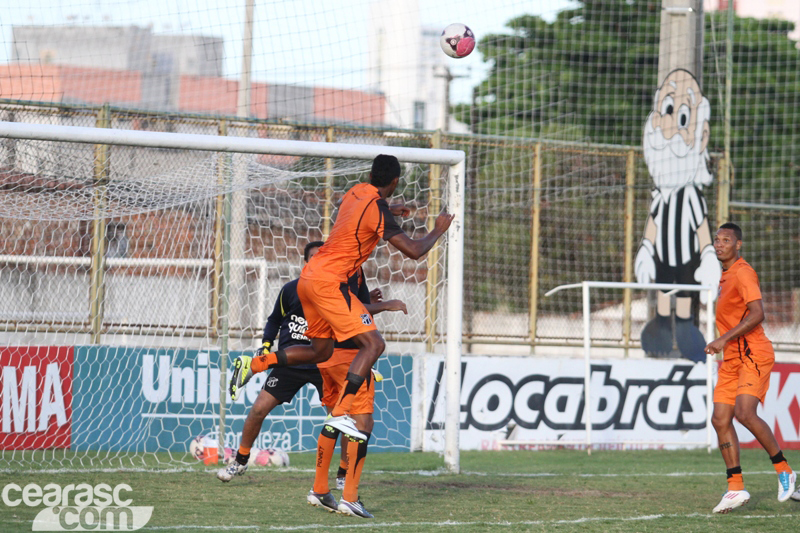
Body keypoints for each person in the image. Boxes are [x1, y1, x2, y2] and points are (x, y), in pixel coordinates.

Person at [229, 153, 453, 517]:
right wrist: (439, 228)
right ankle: (342, 414)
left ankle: (257, 363)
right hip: (332, 283)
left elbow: (369, 213)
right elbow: (414, 251)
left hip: (308, 279)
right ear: (394, 180)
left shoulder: (355, 193)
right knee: (374, 344)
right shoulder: (378, 209)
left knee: (319, 350)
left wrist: (395, 209)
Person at [217, 241, 328, 482]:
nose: (318, 261)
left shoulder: (334, 291)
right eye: (313, 258)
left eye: (323, 257)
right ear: (306, 263)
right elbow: (274, 320)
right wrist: (266, 344)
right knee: (258, 409)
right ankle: (240, 461)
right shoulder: (291, 290)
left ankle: (341, 476)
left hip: (323, 363)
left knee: (340, 418)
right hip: (289, 362)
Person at [704, 222, 795, 513]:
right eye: (717, 240)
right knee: (720, 419)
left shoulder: (743, 272)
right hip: (731, 358)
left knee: (744, 413)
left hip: (753, 353)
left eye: (726, 240)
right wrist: (724, 345)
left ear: (738, 245)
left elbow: (758, 314)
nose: (720, 244)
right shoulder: (726, 276)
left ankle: (785, 470)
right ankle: (735, 487)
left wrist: (722, 338)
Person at [308, 267, 407, 517]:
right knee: (362, 423)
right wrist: (384, 306)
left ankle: (320, 489)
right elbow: (346, 309)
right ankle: (349, 497)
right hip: (352, 358)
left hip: (327, 357)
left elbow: (345, 305)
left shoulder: (325, 271)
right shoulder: (347, 265)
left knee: (336, 418)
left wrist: (367, 303)